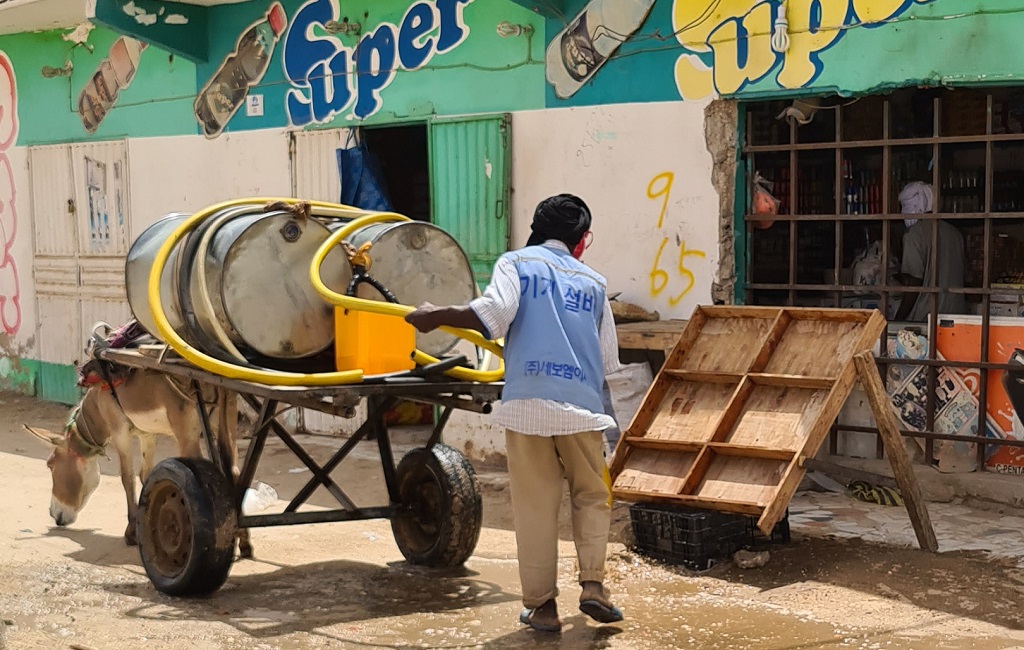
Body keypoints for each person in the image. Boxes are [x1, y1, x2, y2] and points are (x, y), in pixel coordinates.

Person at [405, 194, 623, 633]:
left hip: (526, 408)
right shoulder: (595, 284)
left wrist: (435, 315)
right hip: (582, 408)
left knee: (535, 506)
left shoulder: (515, 263)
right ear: (582, 241)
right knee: (592, 496)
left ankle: (542, 607)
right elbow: (608, 364)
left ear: (537, 231)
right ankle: (594, 586)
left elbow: (495, 315)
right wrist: (613, 427)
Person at [894, 181, 967, 322]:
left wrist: (897, 320)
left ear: (916, 206)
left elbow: (914, 282)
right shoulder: (955, 233)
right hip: (956, 319)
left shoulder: (914, 234)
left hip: (926, 319)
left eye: (905, 207)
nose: (903, 213)